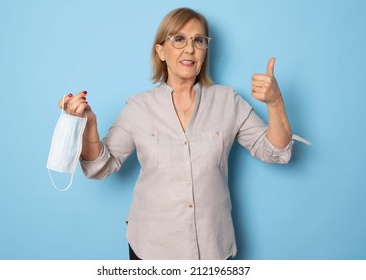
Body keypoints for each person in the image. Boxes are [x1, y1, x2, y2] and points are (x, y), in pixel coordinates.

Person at [58, 7, 303, 260]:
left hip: (213, 248)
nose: (190, 49)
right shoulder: (138, 107)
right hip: (151, 249)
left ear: (205, 50)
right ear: (161, 51)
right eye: (179, 39)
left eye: (198, 40)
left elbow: (275, 152)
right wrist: (88, 124)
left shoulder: (227, 100)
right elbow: (100, 166)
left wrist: (275, 103)